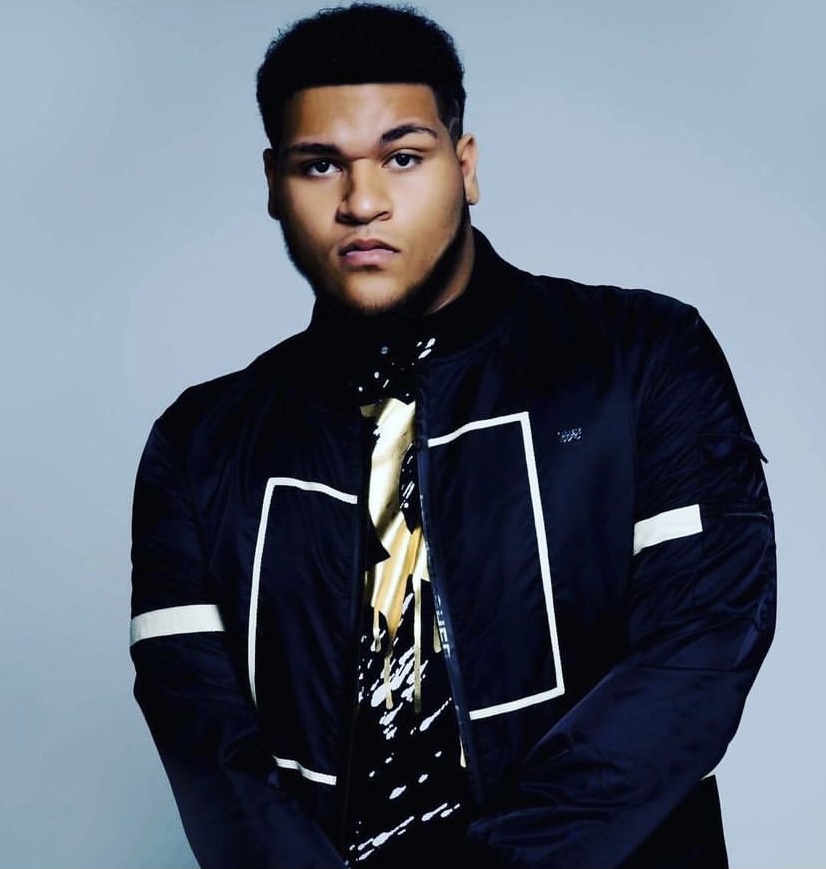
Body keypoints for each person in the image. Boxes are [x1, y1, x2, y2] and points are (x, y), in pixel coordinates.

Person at [129, 4, 776, 867]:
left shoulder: (642, 358)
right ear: (274, 183)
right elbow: (205, 739)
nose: (362, 202)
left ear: (464, 167)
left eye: (403, 157)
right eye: (320, 165)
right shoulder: (200, 443)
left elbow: (698, 652)